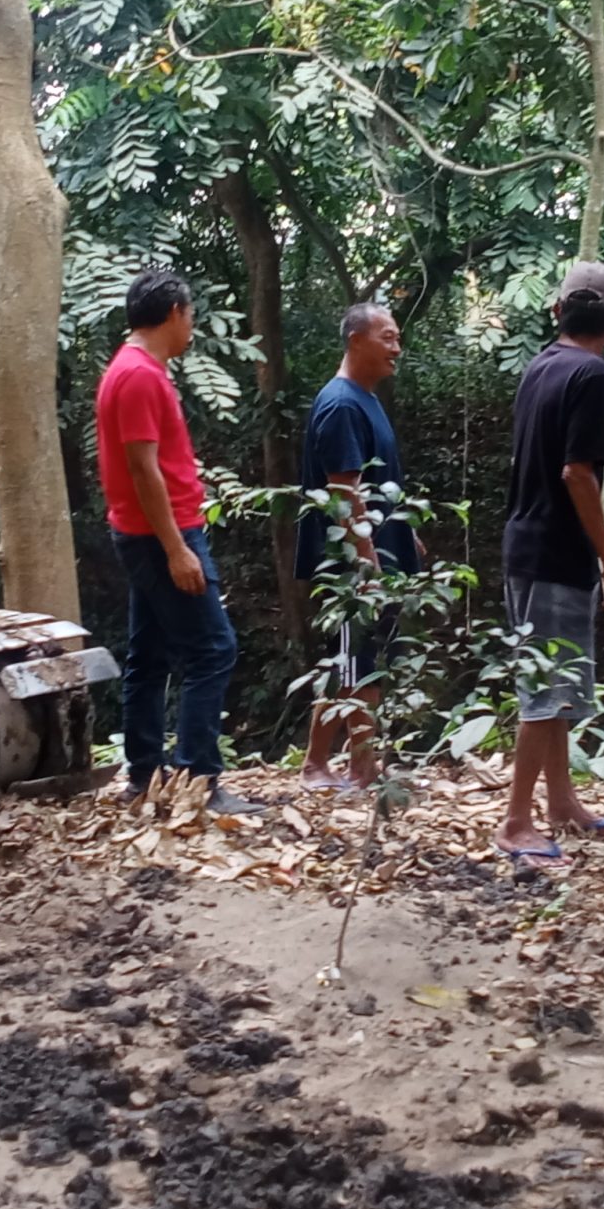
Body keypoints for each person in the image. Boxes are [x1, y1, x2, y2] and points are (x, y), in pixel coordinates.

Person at [95, 268, 263, 815]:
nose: (192, 326)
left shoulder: (132, 369)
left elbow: (152, 462)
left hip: (145, 530)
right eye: (191, 315)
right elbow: (143, 469)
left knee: (148, 656)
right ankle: (199, 778)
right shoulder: (139, 375)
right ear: (173, 314)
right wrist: (176, 547)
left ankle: (144, 774)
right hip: (156, 536)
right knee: (213, 649)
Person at [498, 261, 604, 861]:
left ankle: (562, 805)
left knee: (551, 687)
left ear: (556, 313)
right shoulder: (593, 373)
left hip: (523, 545)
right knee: (548, 693)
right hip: (557, 550)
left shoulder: (540, 366)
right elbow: (578, 473)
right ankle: (514, 822)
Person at [296, 300, 416, 792]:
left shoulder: (364, 398)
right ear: (355, 340)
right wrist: (367, 566)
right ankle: (361, 770)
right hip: (351, 567)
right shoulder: (342, 403)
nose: (397, 346)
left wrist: (406, 533)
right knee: (357, 662)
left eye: (397, 337)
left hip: (372, 554)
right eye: (387, 337)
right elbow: (344, 492)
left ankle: (318, 765)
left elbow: (373, 481)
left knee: (350, 660)